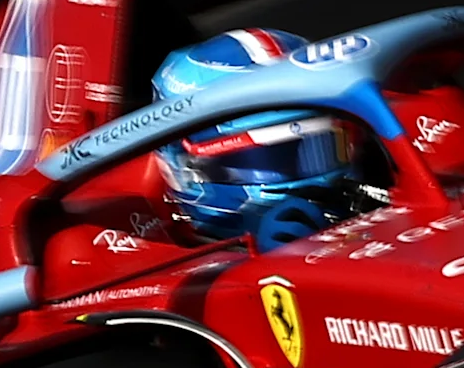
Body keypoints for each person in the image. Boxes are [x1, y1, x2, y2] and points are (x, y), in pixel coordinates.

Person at [148, 29, 378, 247]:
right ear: (187, 170)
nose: (309, 183)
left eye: (321, 150)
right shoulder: (155, 255)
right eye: (270, 161)